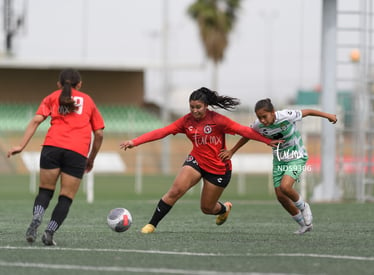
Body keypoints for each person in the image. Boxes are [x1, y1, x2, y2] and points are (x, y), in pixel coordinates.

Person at [120, 87, 282, 234]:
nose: (195, 111)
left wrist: (268, 141)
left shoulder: (218, 120)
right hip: (196, 161)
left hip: (218, 168)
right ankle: (151, 225)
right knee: (175, 191)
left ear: (206, 106)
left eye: (198, 107)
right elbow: (163, 131)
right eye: (192, 107)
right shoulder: (186, 121)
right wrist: (135, 141)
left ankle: (224, 209)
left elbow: (244, 131)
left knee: (207, 208)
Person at [7, 69, 105, 245]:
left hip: (52, 147)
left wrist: (21, 146)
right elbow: (99, 134)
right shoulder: (88, 101)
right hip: (77, 152)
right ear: (80, 84)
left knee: (45, 191)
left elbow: (36, 120)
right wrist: (91, 158)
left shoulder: (52, 97)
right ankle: (49, 231)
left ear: (59, 84)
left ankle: (37, 215)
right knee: (65, 197)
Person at [219, 98, 337, 234]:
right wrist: (232, 151)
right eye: (259, 117)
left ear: (273, 112)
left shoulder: (285, 116)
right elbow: (247, 135)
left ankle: (304, 207)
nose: (262, 120)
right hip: (279, 160)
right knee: (281, 196)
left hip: (296, 156)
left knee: (285, 187)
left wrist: (328, 116)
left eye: (264, 116)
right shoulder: (258, 125)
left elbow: (308, 112)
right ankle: (304, 225)